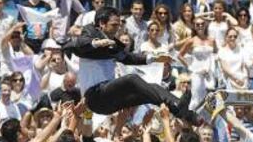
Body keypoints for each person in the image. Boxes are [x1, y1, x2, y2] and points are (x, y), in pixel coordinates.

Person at [69, 7, 201, 125]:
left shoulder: (113, 43)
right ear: (102, 24)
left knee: (152, 87)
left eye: (119, 25)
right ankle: (176, 105)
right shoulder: (89, 32)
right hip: (94, 97)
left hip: (111, 98)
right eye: (114, 25)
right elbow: (76, 45)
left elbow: (128, 58)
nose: (117, 29)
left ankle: (186, 114)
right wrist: (97, 43)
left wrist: (154, 58)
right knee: (131, 79)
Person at [178, 16, 217, 110]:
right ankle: (194, 119)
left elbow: (216, 54)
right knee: (196, 97)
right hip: (196, 72)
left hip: (209, 72)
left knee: (210, 96)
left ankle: (208, 120)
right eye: (197, 24)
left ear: (205, 25)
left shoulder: (211, 40)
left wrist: (211, 66)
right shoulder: (191, 40)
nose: (200, 26)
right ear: (194, 26)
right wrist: (189, 66)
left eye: (202, 24)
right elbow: (180, 55)